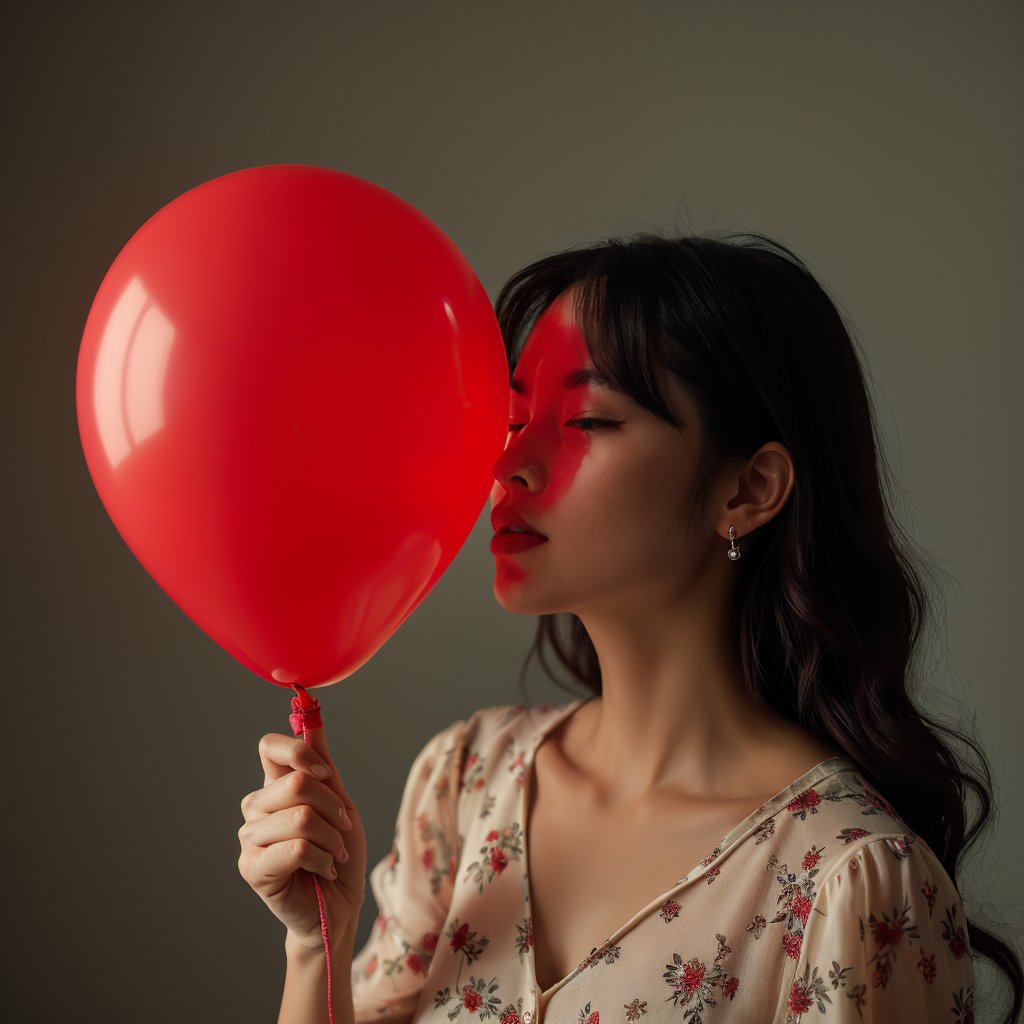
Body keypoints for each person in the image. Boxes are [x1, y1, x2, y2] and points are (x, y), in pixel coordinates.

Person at [238, 232, 1022, 1024]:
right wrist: (317, 944)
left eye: (585, 420)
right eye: (513, 418)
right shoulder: (465, 781)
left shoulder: (851, 881)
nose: (508, 464)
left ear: (749, 488)